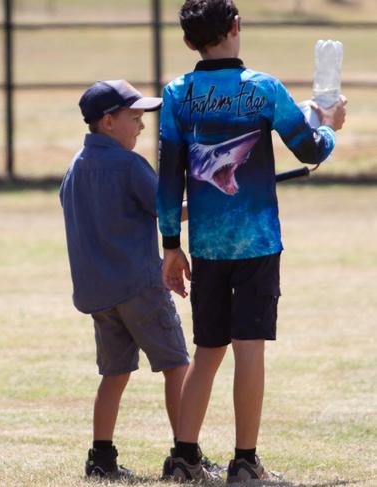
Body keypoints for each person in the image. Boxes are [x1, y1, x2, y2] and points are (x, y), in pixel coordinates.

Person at [157, 0, 347, 482]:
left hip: (206, 246)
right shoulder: (262, 88)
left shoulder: (178, 93)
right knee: (250, 350)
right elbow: (308, 147)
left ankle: (184, 458)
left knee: (206, 352)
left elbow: (168, 178)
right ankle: (244, 462)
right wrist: (329, 126)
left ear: (187, 41)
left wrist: (171, 244)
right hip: (258, 243)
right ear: (237, 26)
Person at [59, 79, 191, 479]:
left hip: (100, 295)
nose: (142, 126)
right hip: (139, 288)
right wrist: (210, 196)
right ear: (108, 121)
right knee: (176, 366)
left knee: (113, 376)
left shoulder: (75, 167)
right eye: (135, 118)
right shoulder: (128, 164)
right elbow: (167, 211)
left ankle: (101, 457)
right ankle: (187, 454)